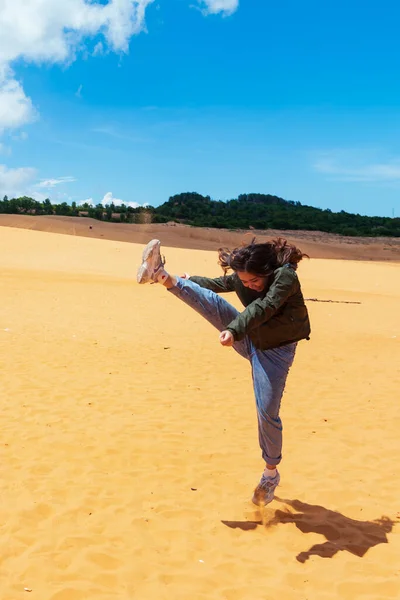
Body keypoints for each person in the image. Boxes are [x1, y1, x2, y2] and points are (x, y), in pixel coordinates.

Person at [137, 237, 311, 505]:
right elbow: (218, 285)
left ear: (266, 270)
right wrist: (190, 279)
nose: (248, 285)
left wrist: (233, 330)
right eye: (244, 281)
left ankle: (270, 474)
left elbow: (263, 307)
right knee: (210, 301)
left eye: (254, 281)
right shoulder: (243, 279)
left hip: (274, 353)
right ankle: (160, 274)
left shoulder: (285, 278)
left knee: (267, 412)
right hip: (250, 336)